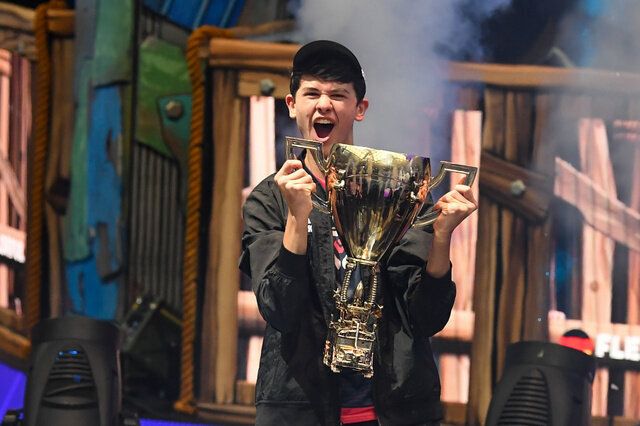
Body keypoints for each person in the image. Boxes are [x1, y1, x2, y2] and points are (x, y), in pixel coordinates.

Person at [239, 40, 478, 426]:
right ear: (292, 105)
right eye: (312, 93)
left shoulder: (400, 190)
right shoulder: (270, 199)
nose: (324, 104)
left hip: (396, 409)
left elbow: (427, 317)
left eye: (338, 95)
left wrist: (441, 237)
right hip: (302, 410)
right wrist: (298, 217)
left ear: (360, 108)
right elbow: (279, 308)